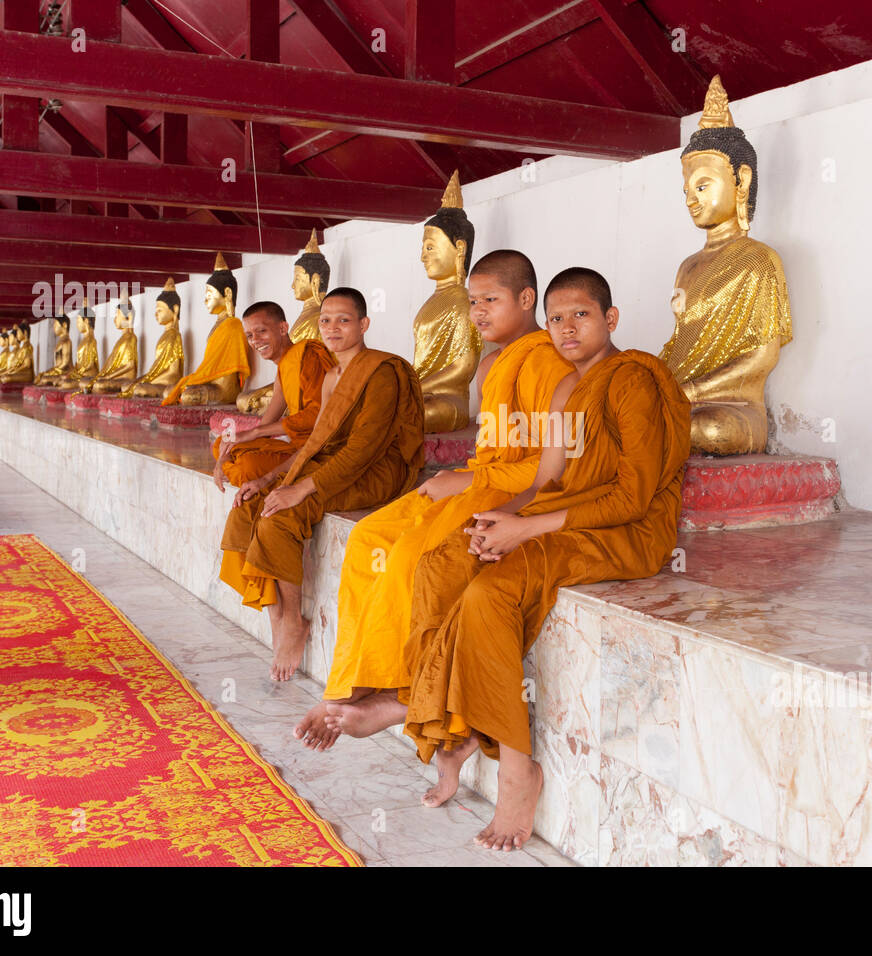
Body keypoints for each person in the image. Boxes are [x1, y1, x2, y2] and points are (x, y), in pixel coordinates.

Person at [402, 267, 690, 850]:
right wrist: (502, 521)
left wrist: (528, 530)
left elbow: (633, 497)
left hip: (627, 531)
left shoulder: (631, 378)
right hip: (569, 512)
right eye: (556, 317)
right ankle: (450, 727)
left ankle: (517, 770)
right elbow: (547, 482)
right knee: (443, 562)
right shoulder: (565, 389)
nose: (565, 328)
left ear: (610, 319)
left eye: (580, 314)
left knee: (489, 592)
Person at [292, 250, 573, 757]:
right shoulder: (492, 362)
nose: (477, 312)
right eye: (472, 301)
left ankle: (395, 686)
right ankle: (351, 680)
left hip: (503, 490)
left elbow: (547, 466)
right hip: (479, 479)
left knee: (410, 556)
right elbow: (495, 441)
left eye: (490, 299)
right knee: (368, 538)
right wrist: (464, 476)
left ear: (526, 299)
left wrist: (470, 479)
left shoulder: (548, 362)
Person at [218, 288, 424, 681]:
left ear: (364, 324)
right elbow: (317, 442)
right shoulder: (332, 375)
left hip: (378, 469)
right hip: (336, 462)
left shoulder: (381, 371)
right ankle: (277, 615)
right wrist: (269, 478)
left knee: (282, 514)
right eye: (326, 320)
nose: (332, 328)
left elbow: (363, 449)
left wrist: (302, 488)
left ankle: (293, 621)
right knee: (250, 506)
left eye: (344, 320)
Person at [212, 301, 336, 489]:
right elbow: (266, 424)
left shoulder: (307, 355)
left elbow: (319, 415)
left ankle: (235, 469)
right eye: (250, 335)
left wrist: (254, 432)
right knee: (223, 442)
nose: (255, 340)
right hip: (297, 445)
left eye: (261, 331)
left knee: (247, 467)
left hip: (319, 449)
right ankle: (230, 465)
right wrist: (224, 456)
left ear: (283, 328)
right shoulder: (284, 368)